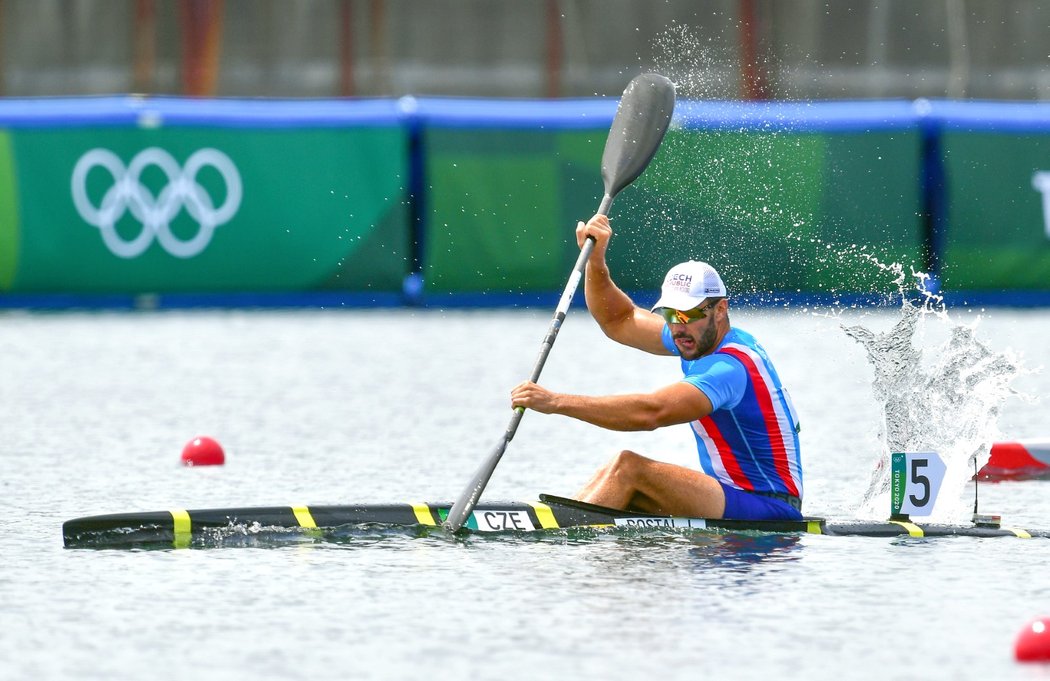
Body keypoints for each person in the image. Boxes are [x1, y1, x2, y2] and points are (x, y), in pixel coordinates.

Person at [510, 214, 803, 521]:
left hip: (770, 507)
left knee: (628, 469)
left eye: (688, 314)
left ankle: (553, 536)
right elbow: (618, 320)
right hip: (735, 497)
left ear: (721, 310)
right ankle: (556, 523)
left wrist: (555, 402)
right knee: (616, 476)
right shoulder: (694, 335)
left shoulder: (730, 367)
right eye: (670, 314)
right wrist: (596, 261)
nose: (678, 327)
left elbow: (652, 412)